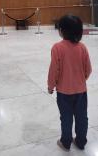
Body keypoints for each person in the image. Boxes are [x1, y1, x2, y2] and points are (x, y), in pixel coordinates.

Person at [47, 14, 92, 151]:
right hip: (81, 92)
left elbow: (54, 69)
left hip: (63, 93)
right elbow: (88, 69)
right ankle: (81, 141)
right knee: (82, 117)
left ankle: (66, 142)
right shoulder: (82, 47)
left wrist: (51, 86)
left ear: (61, 31)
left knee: (66, 118)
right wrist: (80, 80)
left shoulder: (57, 48)